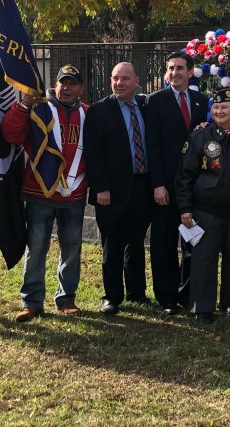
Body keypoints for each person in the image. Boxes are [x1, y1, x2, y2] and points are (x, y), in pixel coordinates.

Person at [1, 65, 89, 322]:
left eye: (72, 84)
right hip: (39, 193)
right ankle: (31, 301)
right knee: (37, 248)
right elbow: (11, 134)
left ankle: (66, 298)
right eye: (63, 83)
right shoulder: (38, 110)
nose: (67, 88)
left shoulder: (88, 113)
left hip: (74, 194)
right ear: (55, 85)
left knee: (72, 249)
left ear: (80, 88)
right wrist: (23, 106)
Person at [175, 89, 230, 324]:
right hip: (205, 209)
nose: (219, 111)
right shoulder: (200, 136)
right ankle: (203, 306)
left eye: (224, 107)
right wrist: (185, 208)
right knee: (204, 259)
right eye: (216, 108)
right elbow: (184, 176)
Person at [84, 62, 152, 316]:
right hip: (110, 191)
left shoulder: (146, 107)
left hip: (142, 186)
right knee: (112, 244)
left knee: (136, 241)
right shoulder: (100, 111)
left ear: (136, 81)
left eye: (125, 78)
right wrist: (100, 187)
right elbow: (94, 154)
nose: (119, 83)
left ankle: (137, 292)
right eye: (115, 78)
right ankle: (112, 296)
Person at [146, 52, 207, 315]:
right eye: (170, 68)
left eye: (180, 68)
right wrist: (158, 184)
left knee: (193, 242)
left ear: (190, 72)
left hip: (194, 186)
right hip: (166, 186)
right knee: (164, 243)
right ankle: (167, 297)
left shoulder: (201, 100)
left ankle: (188, 294)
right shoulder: (154, 101)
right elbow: (152, 146)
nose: (175, 72)